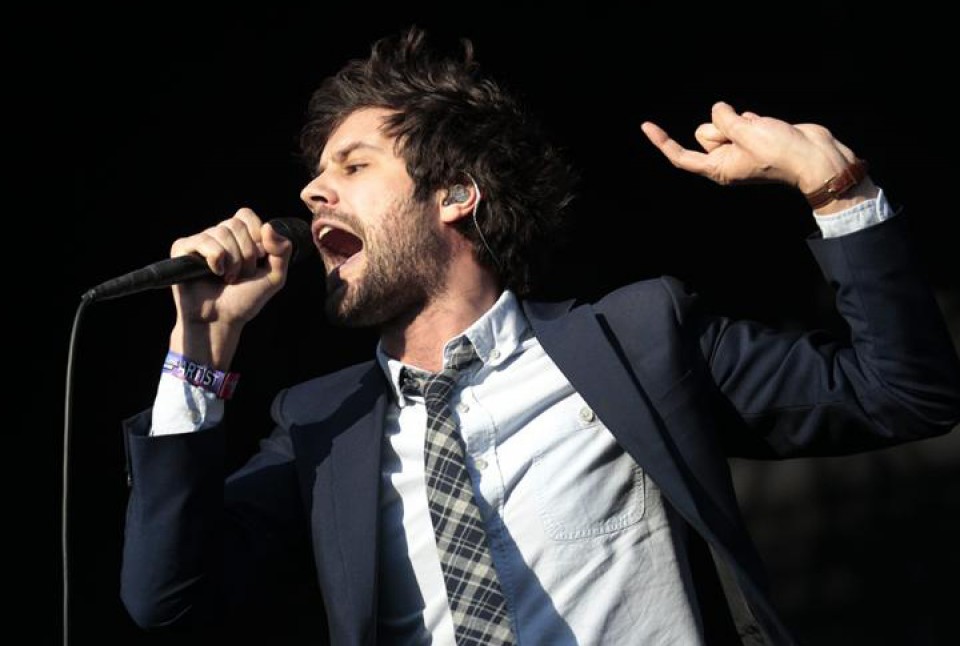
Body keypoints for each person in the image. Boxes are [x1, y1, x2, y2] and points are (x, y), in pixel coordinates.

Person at [118, 25, 960, 646]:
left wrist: (835, 187)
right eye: (317, 171)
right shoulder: (318, 427)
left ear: (454, 195)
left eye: (354, 164)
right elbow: (166, 600)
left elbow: (904, 393)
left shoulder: (636, 341)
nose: (311, 191)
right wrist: (201, 345)